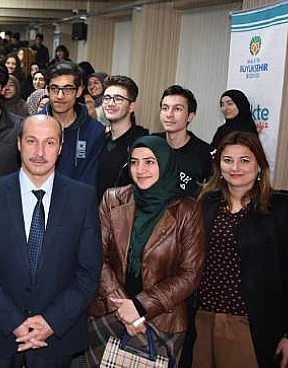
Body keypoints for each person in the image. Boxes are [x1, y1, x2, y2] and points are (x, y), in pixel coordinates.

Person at [0, 115, 102, 367]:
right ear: (18, 144)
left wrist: (51, 322)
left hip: (55, 336)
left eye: (49, 142)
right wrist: (14, 323)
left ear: (60, 148)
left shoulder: (82, 198)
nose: (40, 152)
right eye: (32, 141)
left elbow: (89, 272)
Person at [86, 136, 205, 367]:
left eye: (149, 162)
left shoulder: (187, 210)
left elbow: (190, 274)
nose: (140, 170)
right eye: (134, 162)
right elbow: (96, 256)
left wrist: (140, 307)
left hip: (161, 321)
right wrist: (123, 307)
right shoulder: (112, 199)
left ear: (165, 163)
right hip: (110, 315)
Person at [194, 131, 288, 368]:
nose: (235, 167)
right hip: (201, 319)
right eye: (227, 160)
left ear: (259, 165)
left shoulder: (282, 209)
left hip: (249, 324)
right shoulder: (206, 203)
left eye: (244, 160)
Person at [44, 64, 104, 189]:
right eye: (54, 88)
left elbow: (89, 181)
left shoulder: (94, 131)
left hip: (77, 199)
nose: (60, 96)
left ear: (79, 91)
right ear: (47, 90)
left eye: (68, 89)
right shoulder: (32, 127)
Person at [153, 85, 212, 197]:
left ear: (190, 116)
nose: (169, 115)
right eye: (165, 108)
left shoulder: (205, 154)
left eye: (177, 109)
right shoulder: (150, 144)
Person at [96, 75, 148, 201]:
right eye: (107, 98)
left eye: (118, 99)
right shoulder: (98, 138)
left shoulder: (141, 144)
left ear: (132, 106)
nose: (110, 103)